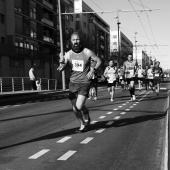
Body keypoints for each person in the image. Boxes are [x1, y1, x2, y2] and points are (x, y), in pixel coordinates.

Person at [57, 32, 101, 132]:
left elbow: (99, 61)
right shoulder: (68, 54)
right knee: (74, 109)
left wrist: (93, 70)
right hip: (73, 83)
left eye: (77, 39)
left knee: (79, 106)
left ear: (80, 40)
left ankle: (85, 113)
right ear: (71, 41)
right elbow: (63, 67)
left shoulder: (87, 52)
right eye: (74, 40)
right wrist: (61, 65)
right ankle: (82, 125)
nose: (76, 42)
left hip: (84, 82)